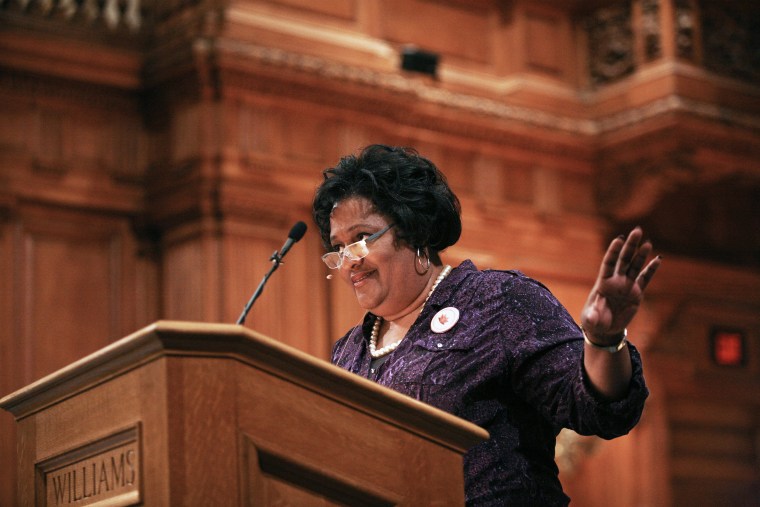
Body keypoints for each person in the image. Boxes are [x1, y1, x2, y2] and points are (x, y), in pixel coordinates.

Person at [312, 144, 661, 506]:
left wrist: (603, 342)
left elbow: (594, 409)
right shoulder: (349, 352)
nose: (348, 260)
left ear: (414, 230)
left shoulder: (498, 301)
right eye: (337, 248)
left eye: (360, 239)